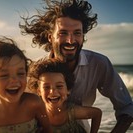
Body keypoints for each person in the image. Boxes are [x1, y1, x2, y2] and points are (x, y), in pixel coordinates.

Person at [19, 0, 133, 132]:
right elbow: (18, 109)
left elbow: (126, 106)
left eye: (77, 33)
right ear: (50, 37)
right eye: (63, 33)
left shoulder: (98, 64)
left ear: (83, 37)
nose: (70, 40)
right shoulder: (35, 71)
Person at [28, 58, 102, 133]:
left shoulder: (71, 112)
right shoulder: (36, 115)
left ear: (68, 90)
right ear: (39, 91)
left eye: (59, 86)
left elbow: (97, 113)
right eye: (46, 87)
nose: (53, 92)